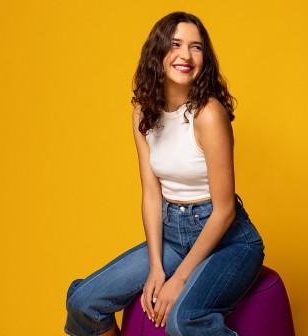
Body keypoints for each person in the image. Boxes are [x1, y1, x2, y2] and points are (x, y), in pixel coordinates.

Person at [64, 12, 265, 336]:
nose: (186, 54)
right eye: (175, 44)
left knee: (182, 321)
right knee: (83, 301)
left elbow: (225, 210)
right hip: (172, 236)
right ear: (157, 52)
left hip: (229, 242)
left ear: (205, 59)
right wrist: (157, 268)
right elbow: (151, 194)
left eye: (196, 47)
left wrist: (180, 279)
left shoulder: (208, 114)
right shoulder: (143, 113)